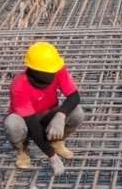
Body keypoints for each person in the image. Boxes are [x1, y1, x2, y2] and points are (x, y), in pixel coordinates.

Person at [5, 41, 85, 176]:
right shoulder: (19, 85)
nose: (53, 74)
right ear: (36, 71)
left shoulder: (56, 68)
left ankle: (56, 141)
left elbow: (74, 96)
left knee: (77, 112)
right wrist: (52, 156)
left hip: (48, 115)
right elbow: (33, 126)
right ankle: (22, 149)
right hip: (26, 121)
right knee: (12, 124)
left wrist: (60, 115)